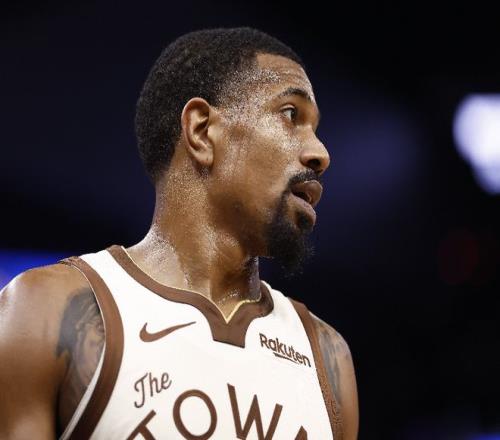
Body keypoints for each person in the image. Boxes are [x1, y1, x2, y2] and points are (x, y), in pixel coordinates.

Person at [0, 27, 358, 439]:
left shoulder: (327, 356)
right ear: (202, 131)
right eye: (291, 115)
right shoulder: (46, 310)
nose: (320, 153)